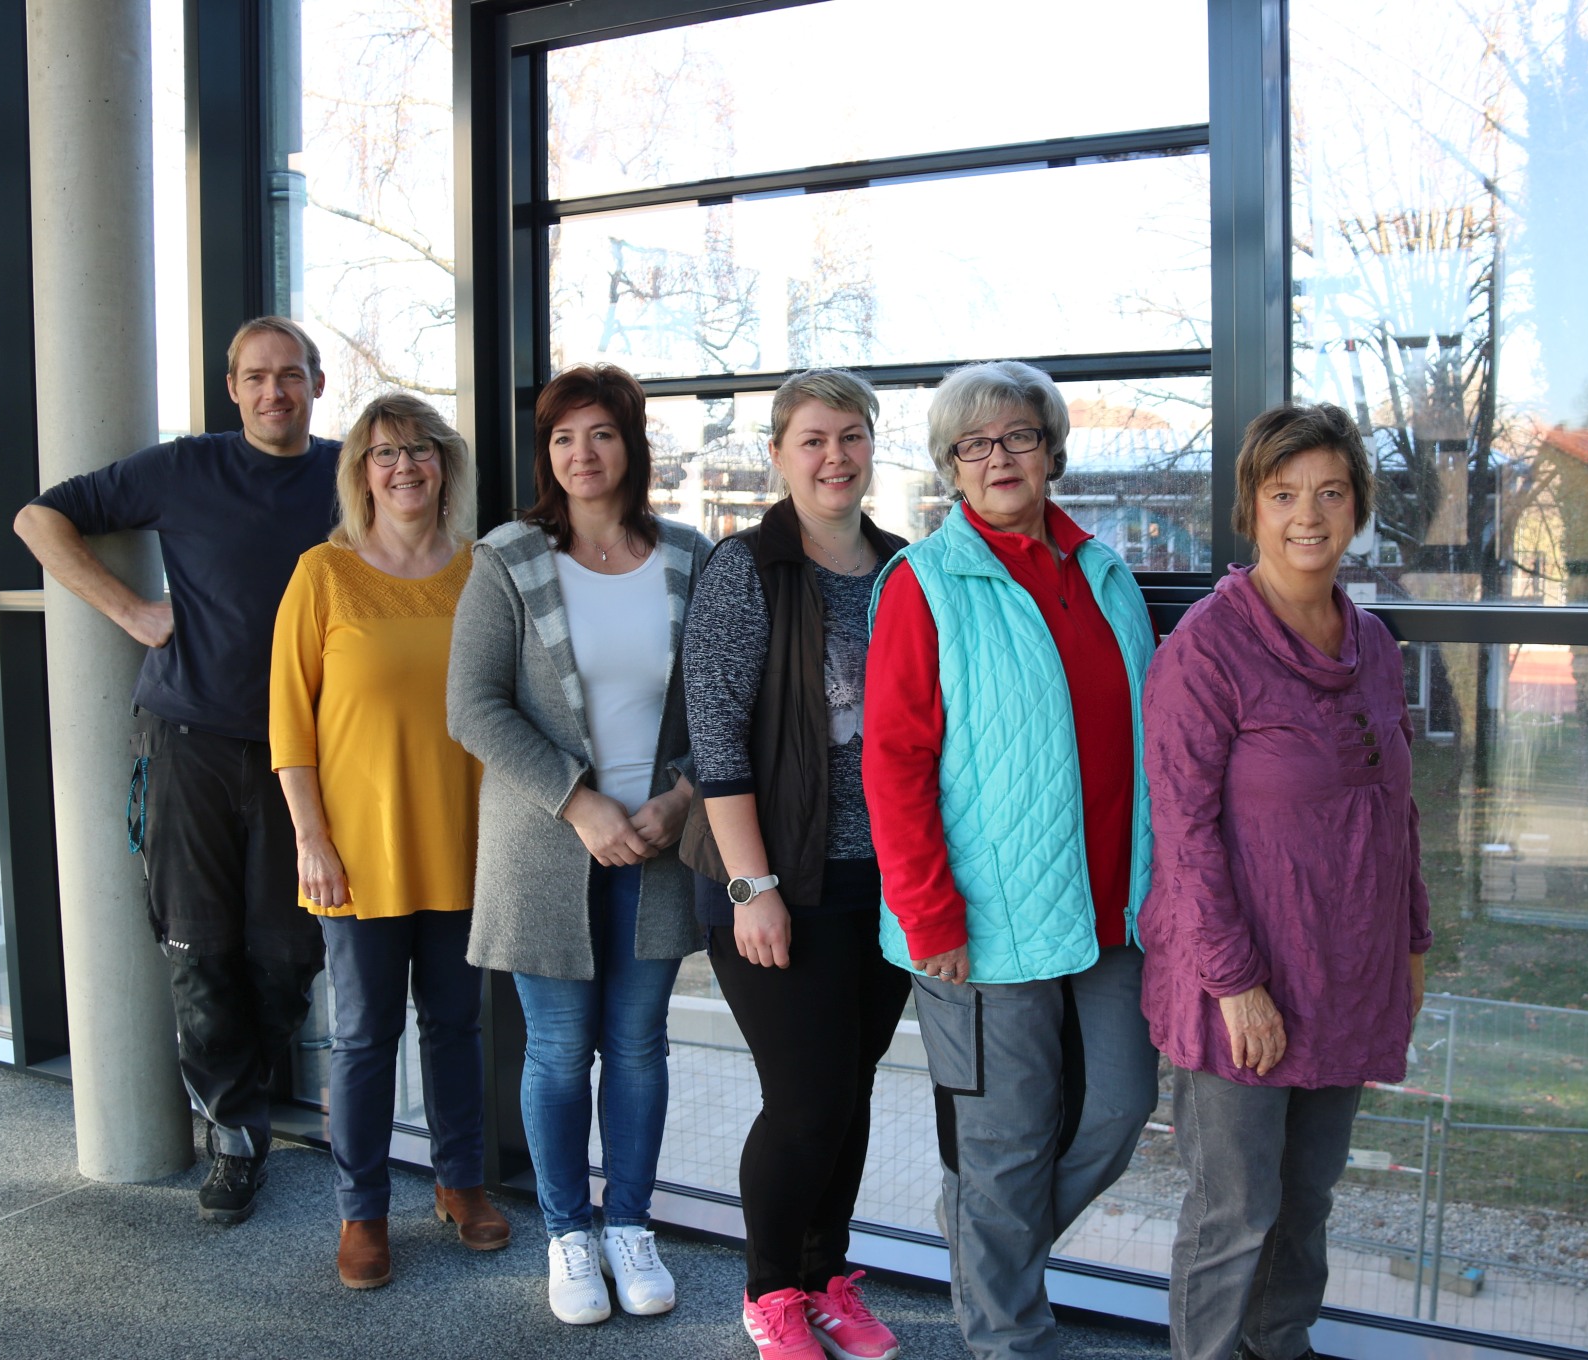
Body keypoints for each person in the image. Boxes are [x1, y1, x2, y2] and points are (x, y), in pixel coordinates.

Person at [861, 360, 1160, 1360]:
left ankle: (981, 1237)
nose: (999, 458)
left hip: (1113, 907)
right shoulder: (924, 583)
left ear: (1052, 452)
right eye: (974, 445)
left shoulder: (1104, 574)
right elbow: (893, 762)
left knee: (1119, 1109)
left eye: (1019, 437)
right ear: (951, 465)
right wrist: (928, 914)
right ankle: (1007, 1336)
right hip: (980, 921)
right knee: (1006, 1140)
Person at [14, 316, 336, 1225]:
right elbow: (38, 519)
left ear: (317, 383)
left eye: (291, 375)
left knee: (287, 953)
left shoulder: (351, 474)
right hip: (188, 740)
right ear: (232, 388)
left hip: (306, 754)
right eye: (256, 377)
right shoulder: (184, 467)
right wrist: (130, 611)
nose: (274, 391)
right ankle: (234, 1136)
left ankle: (245, 1098)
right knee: (199, 948)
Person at [1138, 402, 1430, 1360]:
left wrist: (1412, 941)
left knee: (1307, 1201)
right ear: (1251, 511)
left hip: (1347, 970)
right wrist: (1235, 983)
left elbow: (1397, 812)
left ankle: (1281, 1345)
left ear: (1358, 509)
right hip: (1241, 979)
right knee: (1236, 1211)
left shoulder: (1374, 643)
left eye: (1331, 493)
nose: (1309, 515)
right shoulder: (1206, 649)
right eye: (1284, 494)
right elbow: (1182, 836)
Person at [446, 363, 707, 1327]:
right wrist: (578, 802)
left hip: (657, 845)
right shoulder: (508, 559)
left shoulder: (689, 557)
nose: (581, 453)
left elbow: (728, 701)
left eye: (600, 433)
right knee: (558, 1052)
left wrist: (681, 800)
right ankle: (567, 1234)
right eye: (562, 437)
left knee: (638, 1047)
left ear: (632, 444)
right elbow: (472, 707)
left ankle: (628, 1226)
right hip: (546, 847)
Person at [681, 369, 912, 1360]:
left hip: (884, 884)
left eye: (851, 435)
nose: (834, 456)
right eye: (812, 438)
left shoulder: (906, 569)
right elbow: (715, 740)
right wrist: (753, 887)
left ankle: (827, 1279)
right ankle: (770, 1289)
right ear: (779, 453)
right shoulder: (747, 568)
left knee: (851, 1092)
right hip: (777, 880)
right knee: (807, 1101)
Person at [268, 392, 509, 1288]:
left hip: (464, 843)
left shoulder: (483, 570)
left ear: (445, 465)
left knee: (455, 1025)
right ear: (361, 474)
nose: (404, 466)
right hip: (358, 855)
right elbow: (288, 724)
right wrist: (311, 838)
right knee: (366, 1037)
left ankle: (459, 1184)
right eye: (384, 453)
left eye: (420, 450)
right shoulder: (322, 575)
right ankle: (361, 1211)